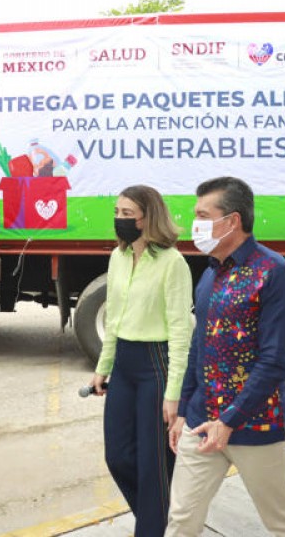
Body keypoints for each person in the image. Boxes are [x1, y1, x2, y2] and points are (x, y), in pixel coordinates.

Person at [166, 176, 285, 537]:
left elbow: (275, 361)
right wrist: (184, 408)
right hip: (202, 421)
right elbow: (200, 344)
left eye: (202, 214)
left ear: (231, 220)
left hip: (255, 424)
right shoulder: (211, 272)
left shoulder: (274, 273)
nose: (193, 223)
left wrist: (229, 420)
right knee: (182, 518)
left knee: (283, 521)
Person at [89, 184, 194, 537]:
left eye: (127, 214)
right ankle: (160, 518)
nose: (119, 220)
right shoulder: (118, 257)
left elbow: (181, 331)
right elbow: (114, 318)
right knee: (117, 456)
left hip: (156, 365)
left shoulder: (172, 262)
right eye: (117, 213)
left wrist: (174, 392)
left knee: (154, 466)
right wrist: (103, 367)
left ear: (148, 218)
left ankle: (152, 526)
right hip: (124, 365)